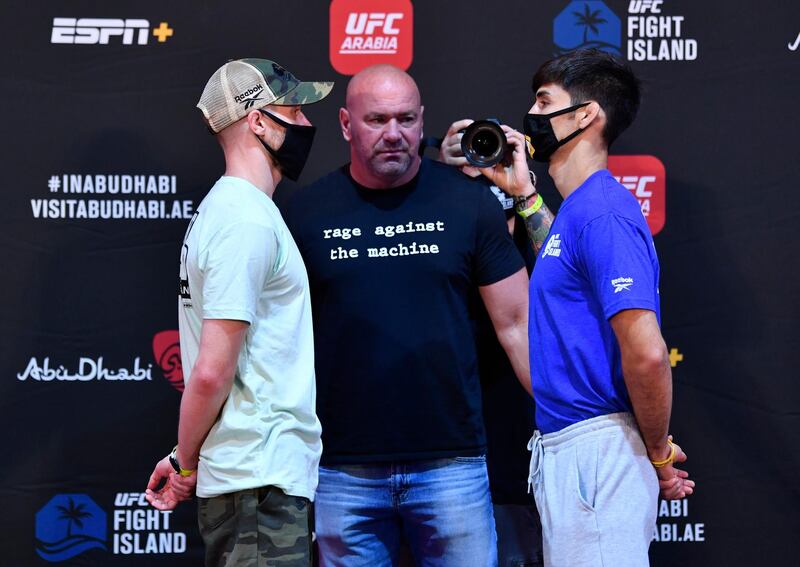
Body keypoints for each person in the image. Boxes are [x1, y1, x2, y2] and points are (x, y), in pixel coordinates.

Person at [282, 64, 530, 567]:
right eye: (377, 120)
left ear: (423, 123)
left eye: (406, 119)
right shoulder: (306, 216)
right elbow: (280, 341)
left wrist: (571, 416)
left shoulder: (470, 204)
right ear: (347, 124)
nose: (394, 134)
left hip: (451, 461)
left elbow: (518, 326)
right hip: (341, 467)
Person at [474, 48, 694, 567]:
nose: (532, 116)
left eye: (544, 101)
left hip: (596, 452)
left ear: (586, 115)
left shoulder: (603, 212)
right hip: (574, 450)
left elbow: (647, 355)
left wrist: (659, 452)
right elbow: (565, 259)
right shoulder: (579, 212)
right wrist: (526, 196)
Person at [143, 58, 333, 567]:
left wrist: (183, 457)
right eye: (295, 111)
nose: (308, 126)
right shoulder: (244, 221)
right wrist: (185, 462)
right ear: (259, 121)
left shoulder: (232, 212)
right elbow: (210, 372)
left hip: (258, 478)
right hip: (258, 481)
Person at [436, 121, 554, 567]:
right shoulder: (438, 224)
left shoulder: (537, 226)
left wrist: (524, 188)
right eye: (473, 153)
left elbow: (571, 273)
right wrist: (444, 182)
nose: (484, 162)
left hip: (516, 457)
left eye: (494, 153)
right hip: (443, 463)